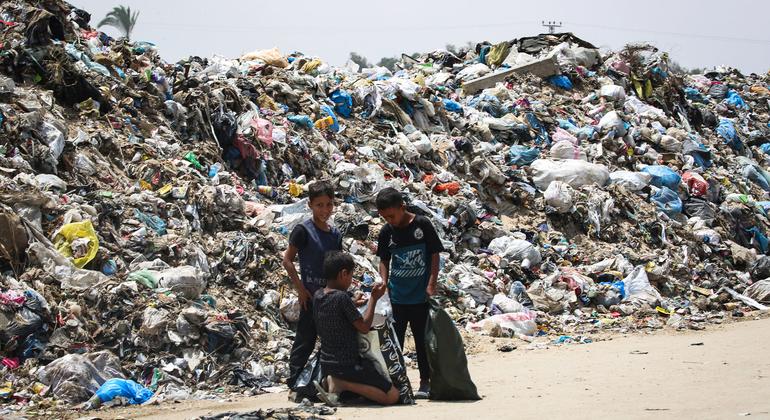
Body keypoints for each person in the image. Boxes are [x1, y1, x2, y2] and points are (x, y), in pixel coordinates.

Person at [375, 187, 444, 399]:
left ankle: (425, 382)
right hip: (397, 297)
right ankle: (397, 383)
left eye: (392, 216)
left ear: (402, 207)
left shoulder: (422, 225)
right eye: (385, 217)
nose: (390, 220)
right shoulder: (387, 232)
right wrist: (384, 282)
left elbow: (434, 254)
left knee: (422, 341)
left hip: (420, 297)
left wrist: (431, 283)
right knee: (395, 343)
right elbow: (384, 260)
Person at [312, 251, 399, 406]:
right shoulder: (342, 297)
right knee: (392, 396)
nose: (351, 281)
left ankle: (332, 381)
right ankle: (341, 384)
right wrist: (373, 298)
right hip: (348, 364)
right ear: (343, 274)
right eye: (351, 276)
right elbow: (364, 327)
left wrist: (353, 302)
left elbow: (336, 309)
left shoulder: (318, 295)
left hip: (326, 362)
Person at [282, 181, 342, 389]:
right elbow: (287, 260)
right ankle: (294, 381)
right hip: (310, 297)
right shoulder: (303, 231)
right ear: (310, 205)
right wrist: (301, 289)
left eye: (328, 204)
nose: (325, 210)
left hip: (330, 298)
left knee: (331, 342)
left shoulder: (334, 234)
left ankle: (325, 381)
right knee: (305, 340)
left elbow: (338, 267)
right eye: (319, 205)